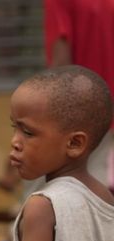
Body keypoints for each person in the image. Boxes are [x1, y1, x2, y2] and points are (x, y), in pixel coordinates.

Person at [9, 65, 114, 241]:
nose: (15, 142)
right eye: (14, 128)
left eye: (27, 133)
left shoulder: (42, 206)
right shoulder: (104, 197)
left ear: (74, 144)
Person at [45, 0, 114, 189]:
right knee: (97, 183)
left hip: (79, 110)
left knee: (49, 191)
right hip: (107, 112)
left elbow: (61, 64)